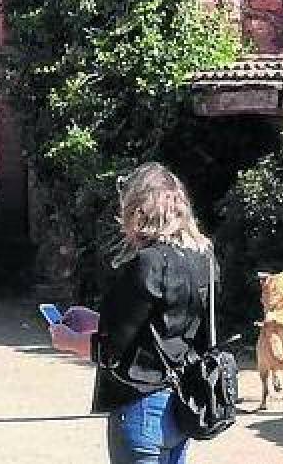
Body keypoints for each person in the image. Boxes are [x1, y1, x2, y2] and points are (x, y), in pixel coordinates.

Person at [49, 163, 215, 464]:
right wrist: (99, 321)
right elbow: (167, 330)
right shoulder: (203, 259)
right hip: (182, 405)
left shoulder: (146, 264)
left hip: (141, 406)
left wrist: (67, 340)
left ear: (138, 210)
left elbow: (112, 352)